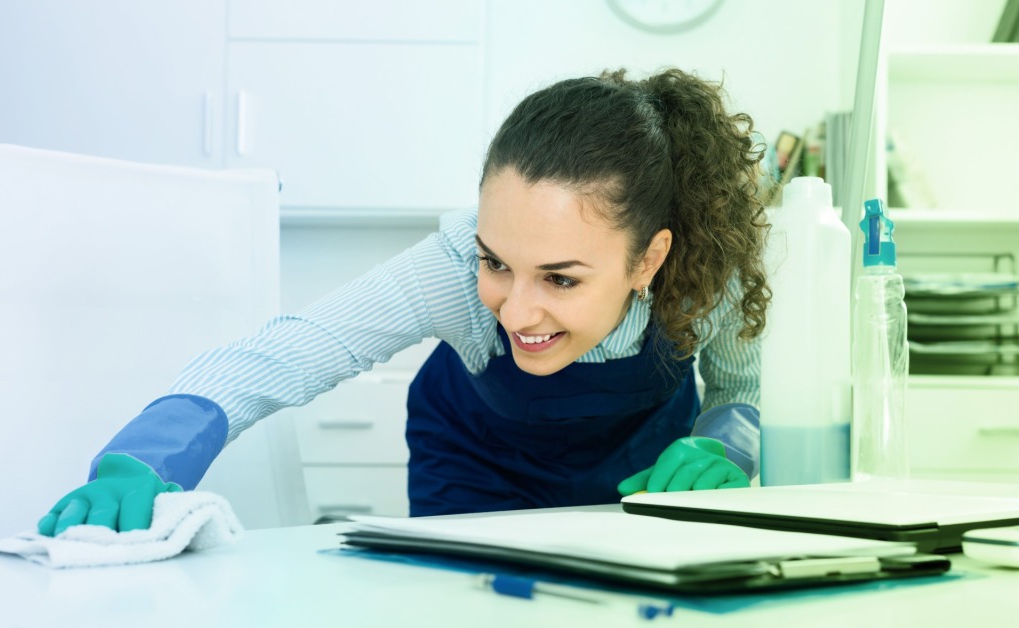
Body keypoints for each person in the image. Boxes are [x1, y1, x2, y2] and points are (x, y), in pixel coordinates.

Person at [38, 67, 770, 535]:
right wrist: (147, 455)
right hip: (476, 469)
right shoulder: (449, 268)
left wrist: (725, 445)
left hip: (642, 474)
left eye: (561, 279)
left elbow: (742, 389)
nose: (516, 312)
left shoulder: (706, 277)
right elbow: (297, 348)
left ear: (649, 259)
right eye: (496, 262)